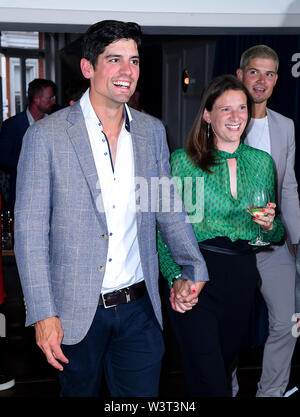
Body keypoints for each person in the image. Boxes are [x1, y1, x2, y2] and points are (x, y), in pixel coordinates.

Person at [13, 20, 209, 398]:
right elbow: (29, 233)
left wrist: (193, 266)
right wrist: (42, 312)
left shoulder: (152, 132)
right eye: (115, 60)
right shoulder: (46, 136)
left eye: (134, 61)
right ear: (88, 68)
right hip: (73, 312)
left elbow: (168, 209)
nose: (127, 72)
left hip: (139, 310)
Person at [157, 74, 284, 397]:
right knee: (210, 380)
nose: (236, 116)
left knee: (219, 371)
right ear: (207, 115)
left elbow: (275, 233)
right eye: (225, 109)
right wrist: (175, 277)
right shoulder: (182, 163)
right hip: (196, 276)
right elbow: (165, 230)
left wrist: (269, 226)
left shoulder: (261, 163)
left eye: (241, 108)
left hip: (240, 279)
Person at [236, 44, 300, 397]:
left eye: (270, 73)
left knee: (289, 324)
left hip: (274, 245)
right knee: (230, 328)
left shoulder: (285, 126)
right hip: (233, 247)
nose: (262, 80)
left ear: (277, 80)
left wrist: (297, 240)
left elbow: (287, 185)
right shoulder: (225, 118)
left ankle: (271, 391)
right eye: (255, 72)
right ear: (241, 74)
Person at [0, 78, 56, 207]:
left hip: (52, 196)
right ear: (36, 100)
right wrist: (31, 165)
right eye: (50, 98)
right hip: (23, 194)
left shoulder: (56, 123)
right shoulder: (12, 125)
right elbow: (3, 158)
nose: (54, 101)